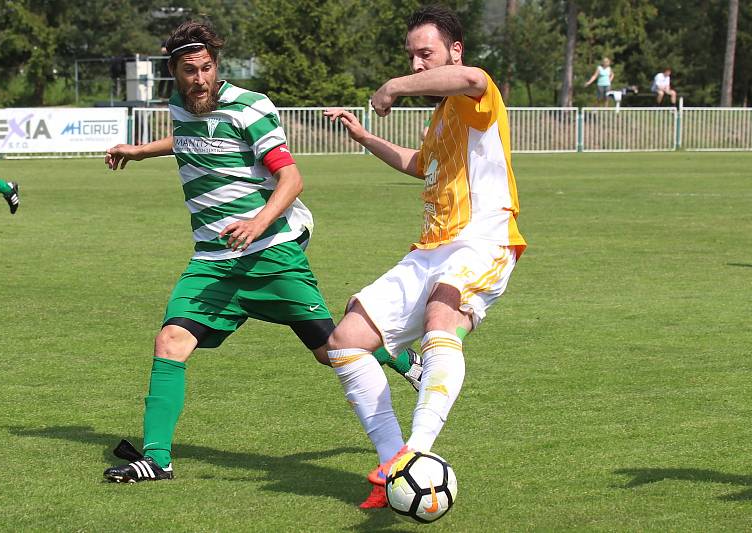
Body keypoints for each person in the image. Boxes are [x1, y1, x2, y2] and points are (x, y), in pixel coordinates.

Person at [101, 20, 420, 483]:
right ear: (174, 72)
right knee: (170, 341)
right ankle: (156, 459)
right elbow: (190, 141)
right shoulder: (181, 106)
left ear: (217, 65)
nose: (200, 79)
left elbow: (291, 178)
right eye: (189, 70)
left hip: (270, 254)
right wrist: (140, 150)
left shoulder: (250, 107)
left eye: (207, 68)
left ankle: (402, 359)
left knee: (331, 350)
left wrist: (257, 222)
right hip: (212, 262)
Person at [323, 5, 526, 509]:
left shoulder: (479, 96)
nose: (417, 65)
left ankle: (417, 451)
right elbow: (421, 165)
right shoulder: (441, 117)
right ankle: (394, 461)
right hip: (431, 247)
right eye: (410, 57)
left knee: (442, 313)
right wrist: (365, 137)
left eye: (425, 54)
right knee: (346, 341)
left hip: (483, 240)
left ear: (453, 51)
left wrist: (392, 86)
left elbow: (474, 77)